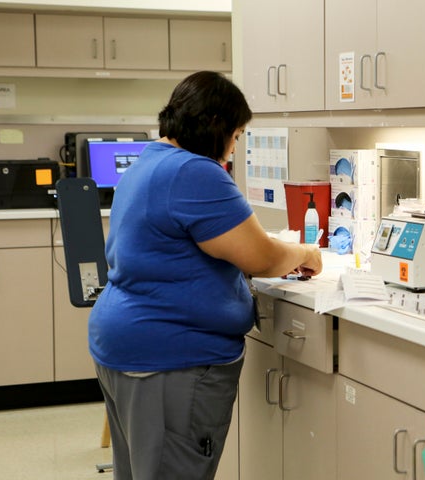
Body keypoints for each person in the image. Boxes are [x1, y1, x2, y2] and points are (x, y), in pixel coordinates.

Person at [88, 71, 322, 480]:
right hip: (170, 360)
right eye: (236, 136)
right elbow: (262, 258)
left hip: (128, 347)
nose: (233, 149)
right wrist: (305, 252)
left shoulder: (150, 160)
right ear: (216, 126)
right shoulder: (194, 172)